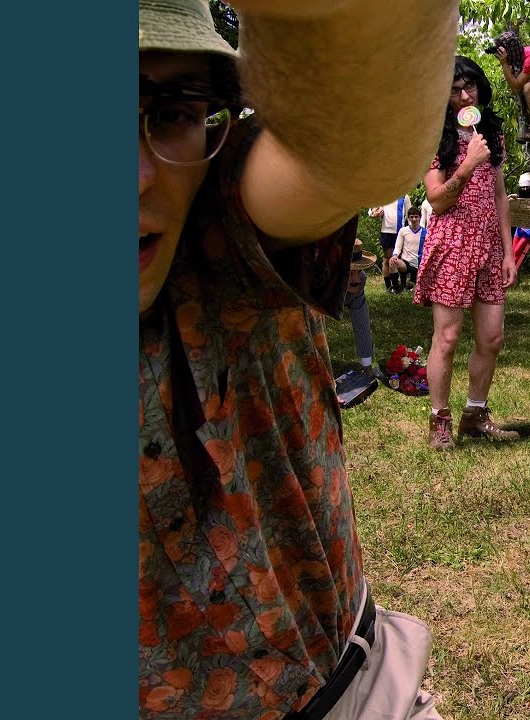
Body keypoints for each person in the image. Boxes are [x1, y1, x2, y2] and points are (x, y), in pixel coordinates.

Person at [138, 1, 456, 717]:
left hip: (352, 694)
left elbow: (352, 145)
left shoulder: (215, 217)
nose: (137, 176)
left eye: (173, 111)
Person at [415, 56, 518, 450]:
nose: (464, 95)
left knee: (492, 337)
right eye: (455, 90)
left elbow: (500, 195)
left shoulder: (491, 132)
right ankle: (439, 420)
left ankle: (475, 415)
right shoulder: (433, 136)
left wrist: (508, 251)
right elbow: (437, 200)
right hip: (452, 242)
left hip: (489, 245)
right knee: (448, 336)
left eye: (469, 86)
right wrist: (468, 164)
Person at [345, 240, 383, 378]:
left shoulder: (361, 281)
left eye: (359, 271)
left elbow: (361, 322)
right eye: (350, 273)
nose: (357, 279)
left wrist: (367, 365)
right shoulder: (319, 283)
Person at [369, 193, 412, 292]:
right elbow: (371, 211)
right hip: (386, 232)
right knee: (387, 260)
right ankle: (389, 286)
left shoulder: (404, 196)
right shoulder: (384, 194)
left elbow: (409, 213)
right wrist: (375, 213)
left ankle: (402, 284)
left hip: (399, 232)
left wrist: (409, 231)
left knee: (400, 259)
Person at [389, 205, 426, 291]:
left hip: (419, 264)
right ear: (408, 218)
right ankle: (395, 288)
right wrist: (395, 255)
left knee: (414, 287)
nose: (414, 219)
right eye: (411, 217)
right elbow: (398, 246)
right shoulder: (403, 231)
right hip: (405, 263)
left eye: (416, 217)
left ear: (420, 217)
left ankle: (410, 283)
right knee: (392, 261)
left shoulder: (425, 232)